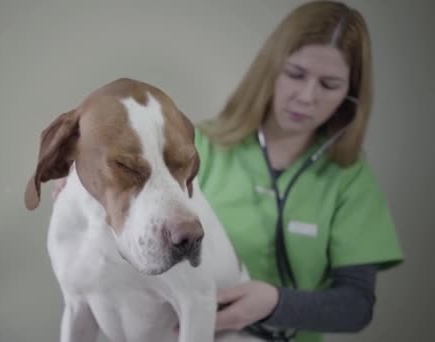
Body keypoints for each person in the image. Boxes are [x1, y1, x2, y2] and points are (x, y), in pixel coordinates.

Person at [52, 1, 404, 341]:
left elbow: (357, 306)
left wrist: (275, 304)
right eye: (296, 74)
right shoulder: (186, 148)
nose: (307, 96)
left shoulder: (350, 177)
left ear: (350, 95)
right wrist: (88, 185)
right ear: (270, 71)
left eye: (329, 85)